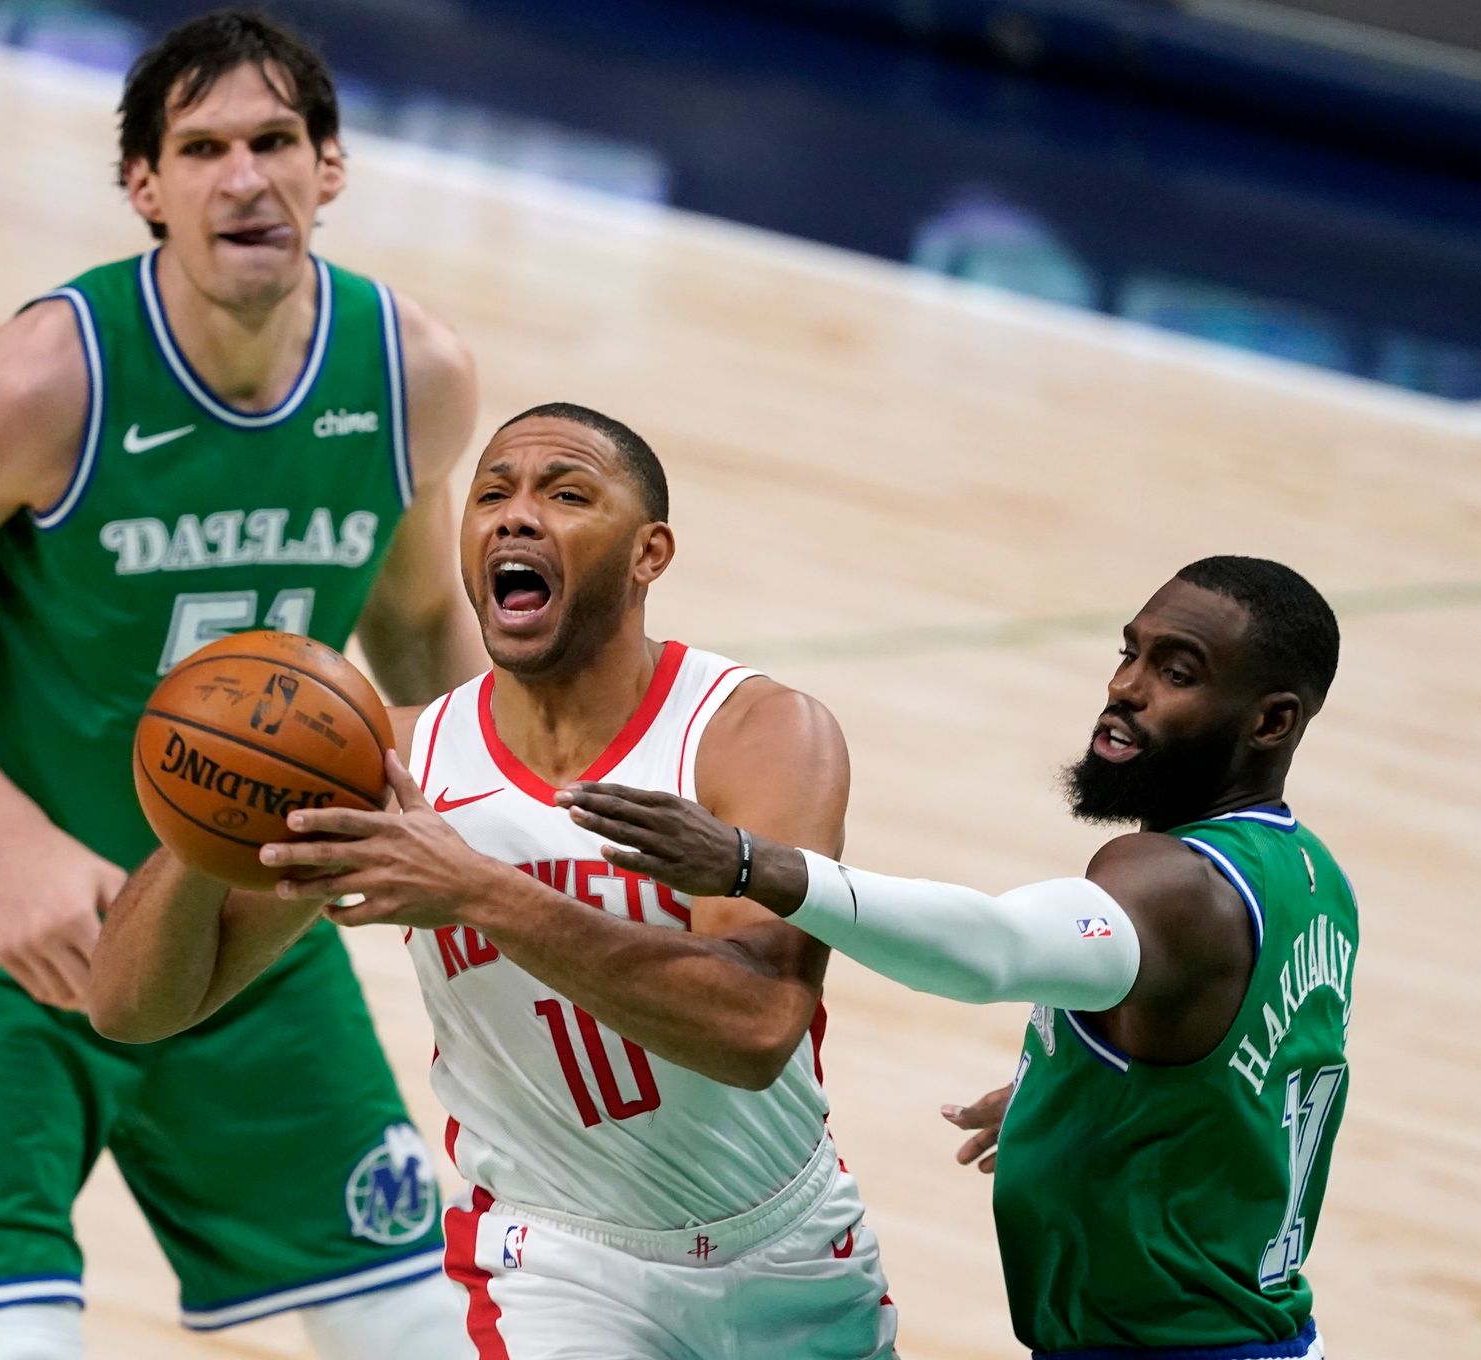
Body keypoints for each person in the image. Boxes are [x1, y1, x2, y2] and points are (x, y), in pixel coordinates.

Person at [0, 11, 487, 1357]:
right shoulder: (45, 379)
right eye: (205, 147)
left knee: (425, 1334)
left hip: (245, 939)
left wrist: (487, 833)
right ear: (146, 187)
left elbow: (416, 629)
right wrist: (7, 841)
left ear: (330, 167)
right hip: (9, 943)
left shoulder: (411, 374)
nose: (246, 176)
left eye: (277, 140)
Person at [91, 402, 899, 1360]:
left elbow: (755, 1028)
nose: (516, 517)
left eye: (565, 494)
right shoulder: (390, 761)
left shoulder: (750, 735)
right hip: (554, 1260)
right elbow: (132, 1008)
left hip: (789, 1250)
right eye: (491, 494)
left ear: (650, 554)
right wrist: (215, 816)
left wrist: (476, 890)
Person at [560, 556, 1355, 1360]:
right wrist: (1092, 1094)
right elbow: (1257, 1067)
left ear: (1271, 722)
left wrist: (749, 864)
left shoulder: (1168, 885)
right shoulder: (1313, 880)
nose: (1127, 686)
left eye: (1176, 672)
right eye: (1129, 652)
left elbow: (991, 949)